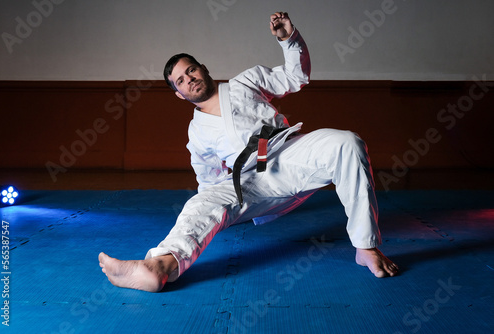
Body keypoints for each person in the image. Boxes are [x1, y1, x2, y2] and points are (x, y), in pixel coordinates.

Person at [99, 12, 399, 293]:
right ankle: (159, 267)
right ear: (179, 94)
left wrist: (288, 39)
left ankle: (366, 246)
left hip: (291, 154)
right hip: (253, 184)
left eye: (191, 69)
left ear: (203, 68)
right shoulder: (196, 133)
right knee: (200, 204)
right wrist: (219, 213)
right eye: (181, 80)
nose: (189, 78)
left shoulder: (245, 81)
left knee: (347, 141)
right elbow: (210, 180)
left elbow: (297, 76)